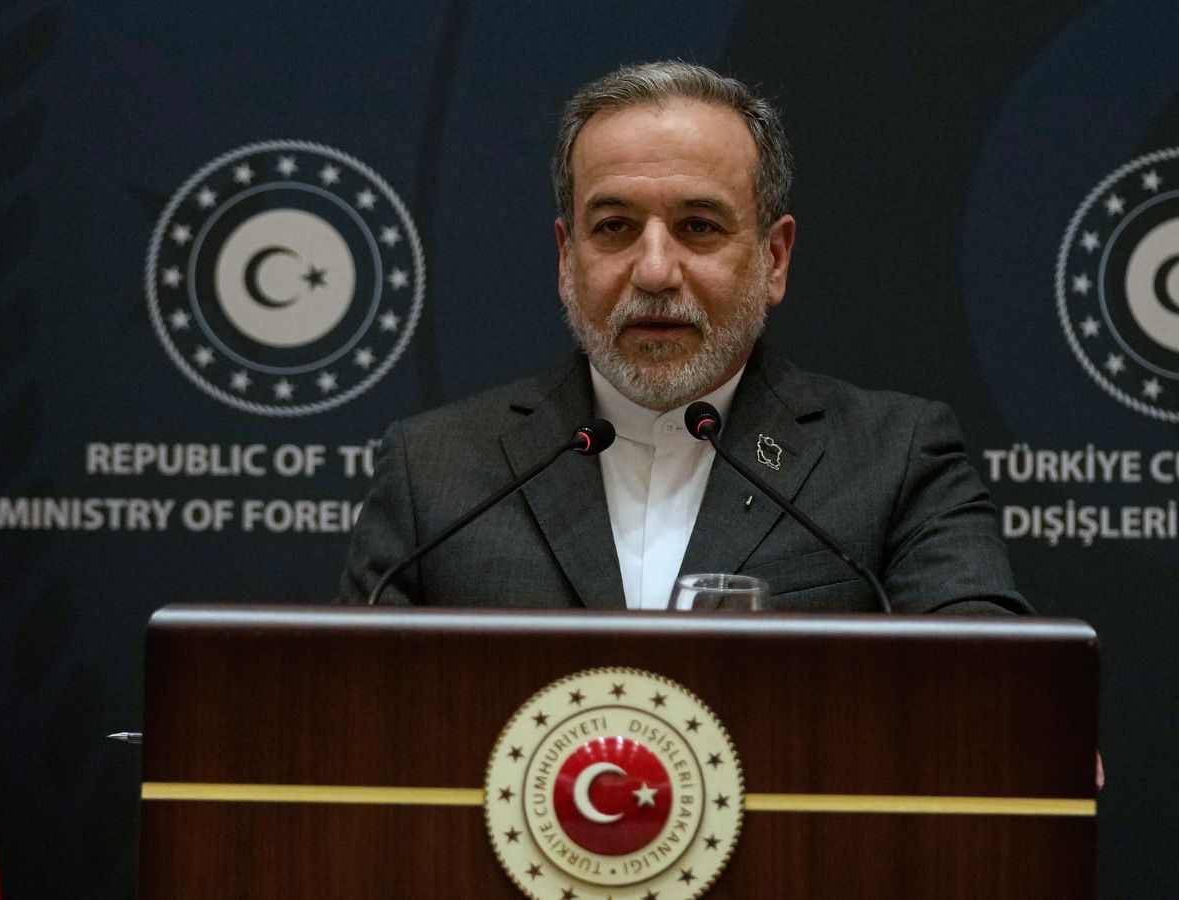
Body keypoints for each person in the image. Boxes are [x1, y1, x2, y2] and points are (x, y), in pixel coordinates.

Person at [338, 60, 1027, 614]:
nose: (655, 271)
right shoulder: (436, 473)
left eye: (699, 227)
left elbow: (985, 685)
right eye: (614, 228)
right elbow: (349, 708)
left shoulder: (893, 460)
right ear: (566, 258)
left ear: (774, 259)